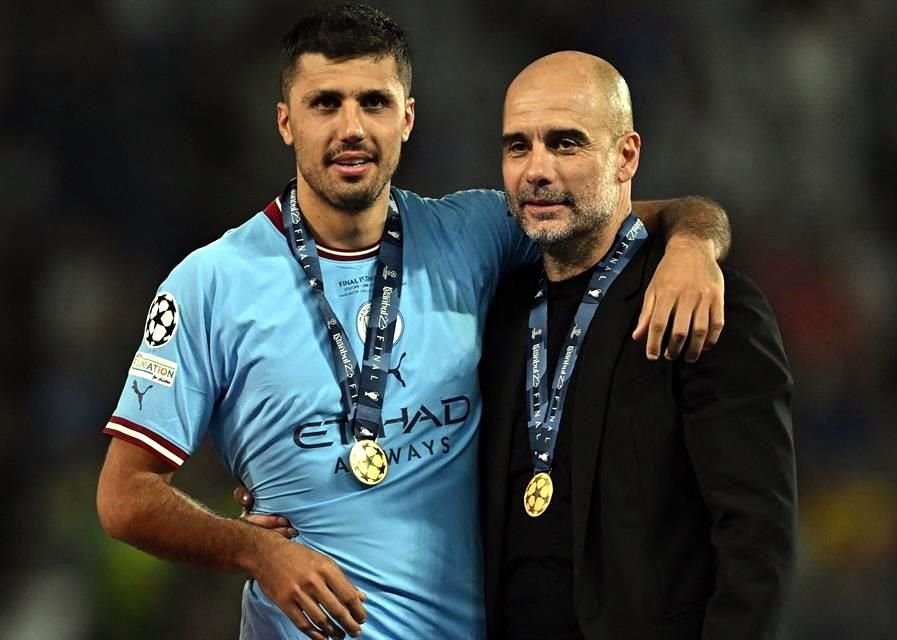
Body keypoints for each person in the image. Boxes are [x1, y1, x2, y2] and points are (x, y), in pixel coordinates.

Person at [96, 6, 732, 640]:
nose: (351, 128)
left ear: (407, 118)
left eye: (373, 102)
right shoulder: (212, 283)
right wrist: (254, 550)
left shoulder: (475, 233)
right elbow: (124, 497)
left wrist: (692, 245)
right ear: (285, 122)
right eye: (325, 104)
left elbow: (622, 214)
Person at [478, 51, 797, 640]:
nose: (536, 170)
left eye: (566, 143)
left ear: (626, 156)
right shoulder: (496, 310)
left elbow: (757, 541)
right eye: (517, 146)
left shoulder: (702, 302)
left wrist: (695, 242)